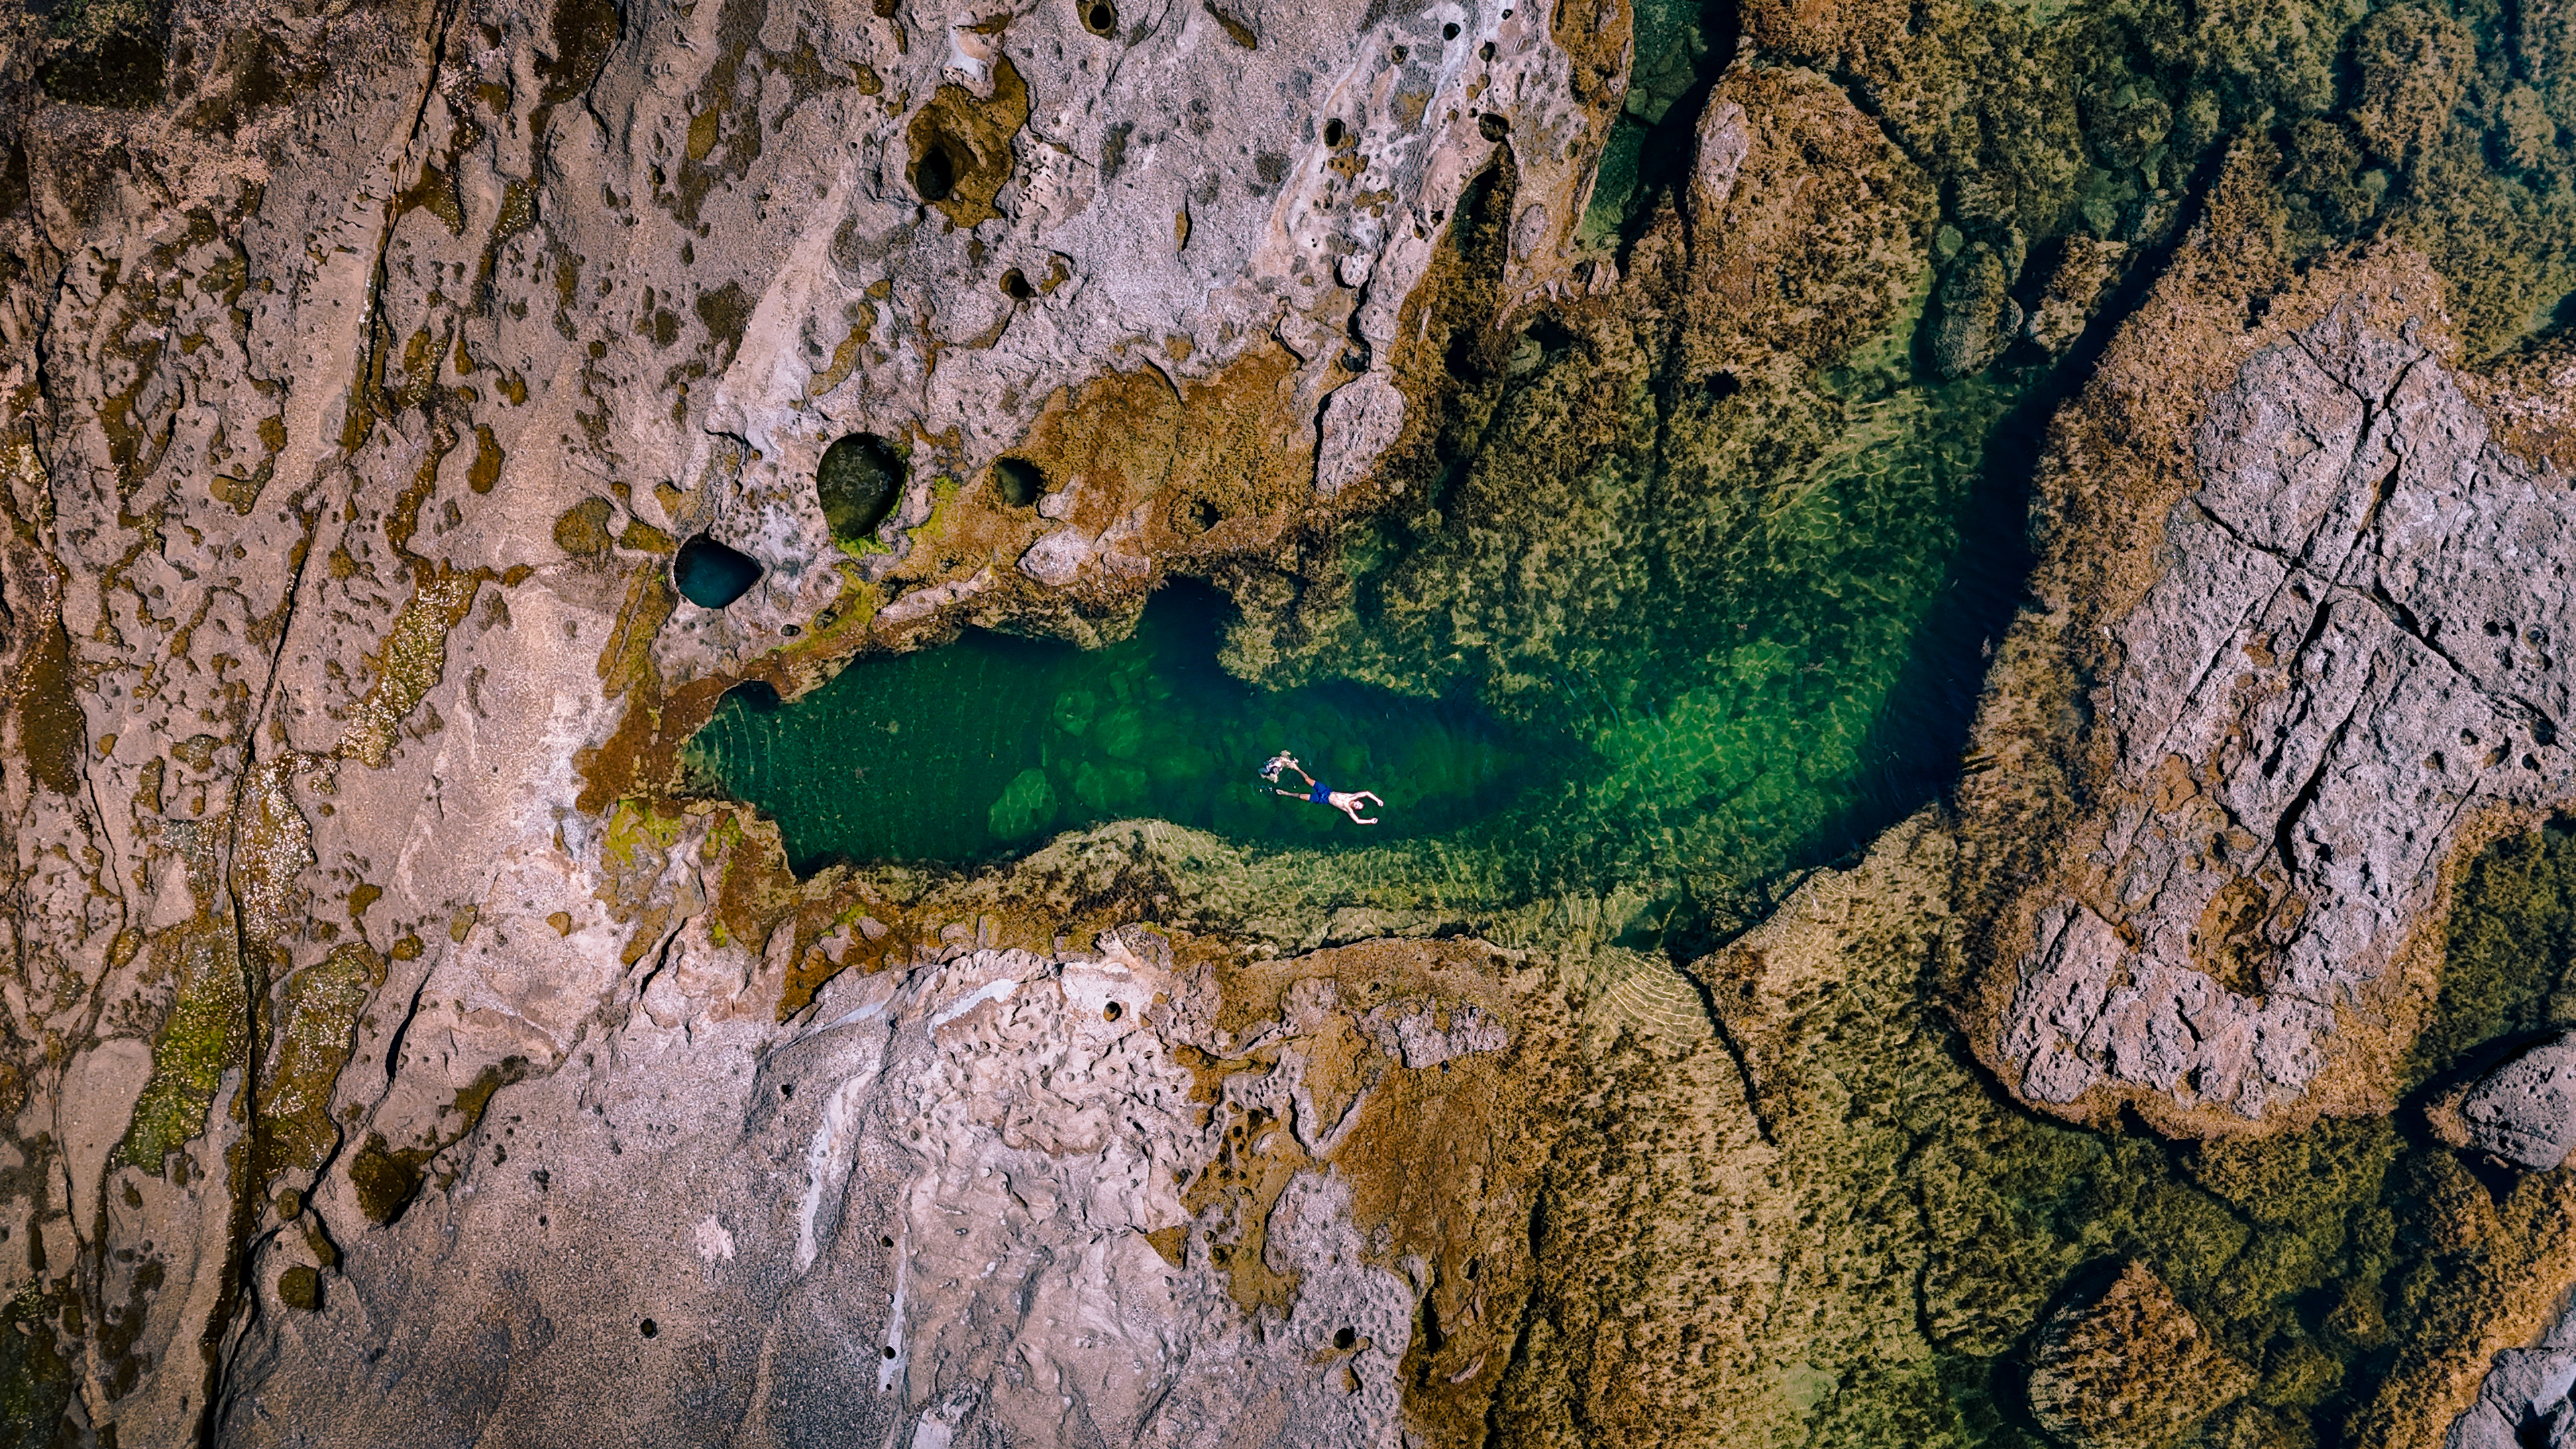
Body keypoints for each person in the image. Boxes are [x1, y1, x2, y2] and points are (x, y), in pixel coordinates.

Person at [1263, 752, 1383, 825]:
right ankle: (1296, 768)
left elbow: (1357, 821)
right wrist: (1377, 800)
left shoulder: (1348, 809)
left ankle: (1286, 794)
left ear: (1355, 808)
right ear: (1358, 801)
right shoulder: (1352, 797)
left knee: (1301, 796)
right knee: (1307, 780)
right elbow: (1366, 793)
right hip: (1327, 791)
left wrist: (1370, 821)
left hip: (1323, 800)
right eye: (1358, 804)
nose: (1357, 805)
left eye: (1358, 807)